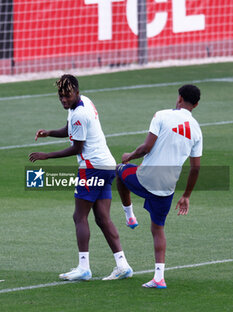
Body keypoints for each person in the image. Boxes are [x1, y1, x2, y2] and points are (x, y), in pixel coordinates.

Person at [29, 74, 133, 281]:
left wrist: (46, 155)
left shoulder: (79, 113)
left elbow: (77, 147)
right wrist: (49, 132)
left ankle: (83, 268)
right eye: (61, 97)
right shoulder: (84, 102)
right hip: (106, 165)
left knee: (79, 216)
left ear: (76, 91)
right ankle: (123, 265)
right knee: (103, 218)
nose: (64, 100)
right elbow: (70, 130)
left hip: (92, 167)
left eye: (67, 96)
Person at [116, 84, 203, 289]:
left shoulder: (162, 115)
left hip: (146, 179)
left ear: (179, 98)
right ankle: (159, 277)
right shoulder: (197, 130)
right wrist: (186, 196)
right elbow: (196, 168)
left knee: (119, 170)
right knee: (158, 229)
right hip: (167, 188)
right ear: (196, 104)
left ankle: (129, 215)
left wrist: (129, 156)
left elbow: (147, 147)